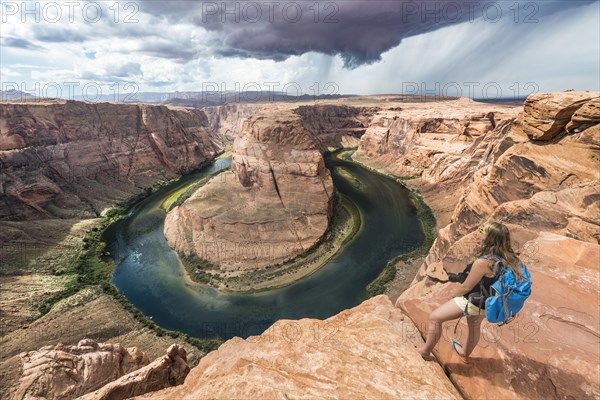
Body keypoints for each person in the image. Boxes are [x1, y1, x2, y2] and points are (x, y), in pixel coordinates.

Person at [416, 221, 523, 362]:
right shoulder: (510, 258)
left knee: (435, 318)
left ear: (489, 238)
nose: (479, 231)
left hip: (475, 302)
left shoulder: (484, 263)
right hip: (491, 302)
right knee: (474, 325)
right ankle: (464, 353)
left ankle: (425, 351)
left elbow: (466, 287)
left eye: (483, 231)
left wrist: (452, 295)